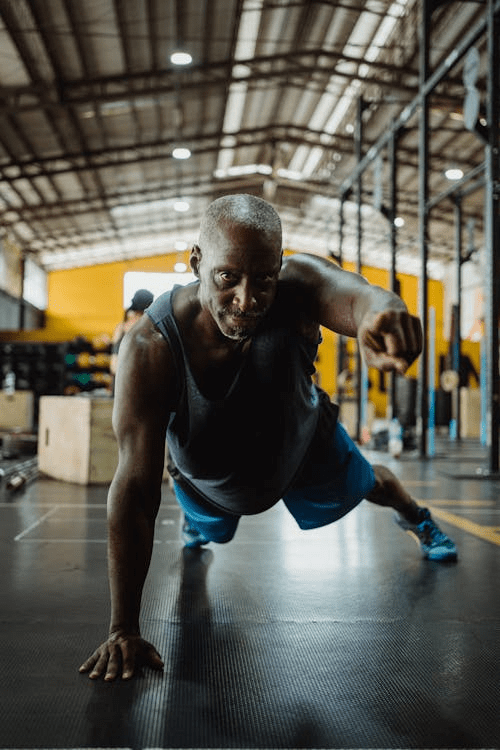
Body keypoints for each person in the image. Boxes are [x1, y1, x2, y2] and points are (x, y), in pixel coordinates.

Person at [79, 194, 457, 682]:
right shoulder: (150, 347)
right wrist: (122, 627)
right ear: (197, 262)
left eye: (263, 279)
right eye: (226, 278)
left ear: (279, 266)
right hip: (210, 469)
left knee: (377, 485)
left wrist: (382, 312)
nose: (247, 299)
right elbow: (132, 488)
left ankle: (420, 520)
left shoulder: (296, 288)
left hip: (299, 439)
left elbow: (352, 292)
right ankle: (199, 522)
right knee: (212, 527)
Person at [110, 288, 154, 376]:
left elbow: (114, 355)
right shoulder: (145, 325)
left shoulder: (122, 325)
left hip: (119, 373)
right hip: (130, 374)